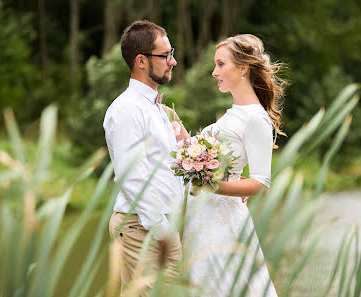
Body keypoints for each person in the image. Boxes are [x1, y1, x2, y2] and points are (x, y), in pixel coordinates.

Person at [182, 34, 286, 296]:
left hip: (222, 224)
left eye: (220, 64)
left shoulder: (255, 119)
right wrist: (181, 136)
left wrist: (210, 185)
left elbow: (261, 184)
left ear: (242, 68)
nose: (214, 71)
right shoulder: (233, 114)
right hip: (201, 218)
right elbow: (207, 160)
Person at [103, 20, 185, 295]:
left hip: (151, 223)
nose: (173, 61)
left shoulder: (154, 107)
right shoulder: (127, 109)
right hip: (143, 225)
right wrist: (161, 228)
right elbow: (131, 176)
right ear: (141, 60)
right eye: (166, 55)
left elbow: (165, 167)